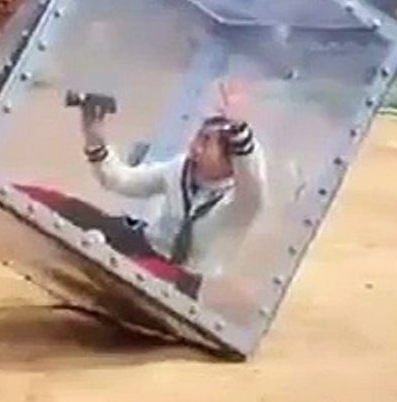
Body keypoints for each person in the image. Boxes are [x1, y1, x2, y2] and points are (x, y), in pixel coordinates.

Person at [16, 105, 267, 299]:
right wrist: (94, 138)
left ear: (232, 160)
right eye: (198, 137)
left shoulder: (240, 203)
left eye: (206, 142)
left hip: (181, 275)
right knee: (70, 211)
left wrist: (241, 133)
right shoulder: (179, 169)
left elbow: (254, 188)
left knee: (126, 274)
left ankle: (100, 257)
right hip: (145, 242)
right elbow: (122, 181)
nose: (195, 147)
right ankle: (8, 194)